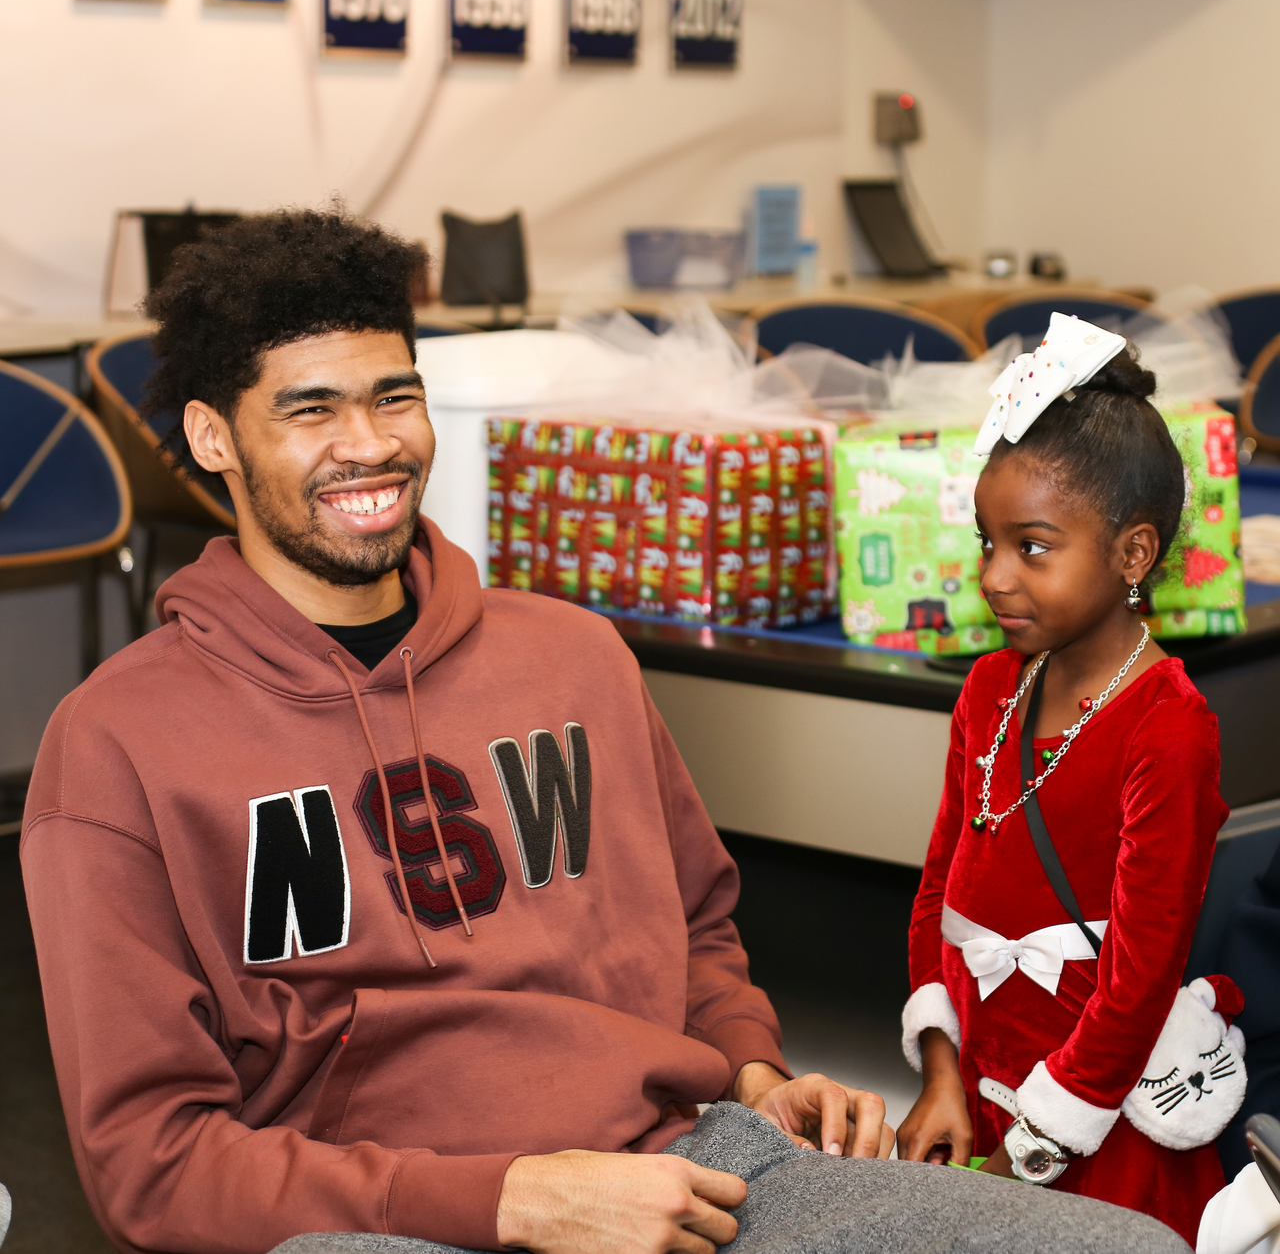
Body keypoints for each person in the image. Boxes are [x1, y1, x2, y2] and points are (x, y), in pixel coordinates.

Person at [22, 213, 1189, 1254]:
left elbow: (694, 927)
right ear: (213, 438)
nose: (369, 443)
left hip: (687, 1165)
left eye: (393, 396)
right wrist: (511, 1198)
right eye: (310, 408)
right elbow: (149, 1164)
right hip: (377, 1219)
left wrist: (754, 1069)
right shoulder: (119, 745)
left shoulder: (574, 657)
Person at [897, 317, 1230, 1246]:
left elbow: (1139, 979)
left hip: (1096, 1124)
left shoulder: (1168, 726)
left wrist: (1038, 1142)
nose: (995, 577)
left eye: (1032, 547)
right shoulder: (989, 687)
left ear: (1132, 554)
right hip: (980, 1088)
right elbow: (937, 893)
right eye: (986, 541)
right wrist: (940, 1070)